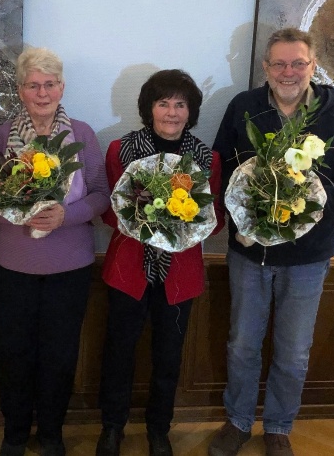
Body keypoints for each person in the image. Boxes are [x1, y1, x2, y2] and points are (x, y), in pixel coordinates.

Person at [209, 28, 334, 456]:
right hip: (249, 252)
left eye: (298, 63)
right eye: (279, 64)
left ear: (312, 65)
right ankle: (238, 421)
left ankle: (279, 426)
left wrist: (316, 203)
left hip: (308, 256)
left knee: (294, 350)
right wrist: (243, 202)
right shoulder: (243, 107)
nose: (288, 72)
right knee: (242, 343)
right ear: (265, 68)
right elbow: (218, 168)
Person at [0, 46, 110, 456]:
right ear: (20, 90)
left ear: (62, 87)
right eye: (33, 85)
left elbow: (103, 195)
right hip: (9, 266)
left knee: (60, 354)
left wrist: (64, 216)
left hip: (69, 266)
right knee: (12, 352)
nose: (43, 92)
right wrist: (16, 212)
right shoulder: (2, 137)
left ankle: (51, 433)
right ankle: (14, 434)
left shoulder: (82, 135)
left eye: (50, 84)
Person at [96, 69, 225, 456]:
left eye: (180, 104)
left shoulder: (207, 158)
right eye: (163, 102)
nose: (171, 112)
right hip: (128, 269)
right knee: (119, 351)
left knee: (169, 356)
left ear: (191, 111)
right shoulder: (121, 150)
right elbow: (108, 210)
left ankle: (159, 429)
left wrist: (183, 222)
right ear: (149, 108)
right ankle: (112, 427)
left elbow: (213, 214)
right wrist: (140, 219)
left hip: (179, 274)